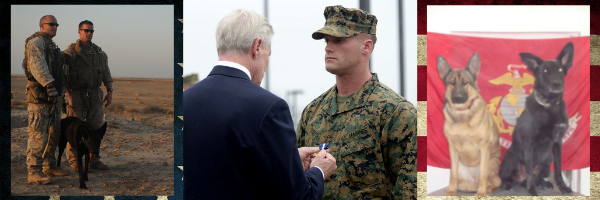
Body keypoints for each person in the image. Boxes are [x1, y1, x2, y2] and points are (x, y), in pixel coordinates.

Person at [183, 9, 338, 200]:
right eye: (269, 54)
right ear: (257, 47)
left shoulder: (182, 102)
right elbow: (298, 196)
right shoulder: (269, 107)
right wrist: (319, 172)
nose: (266, 63)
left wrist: (287, 160)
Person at [296, 5, 417, 199]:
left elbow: (411, 191)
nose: (328, 47)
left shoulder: (396, 113)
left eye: (339, 40)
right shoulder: (313, 112)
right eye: (327, 41)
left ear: (366, 46)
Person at [23, 15, 69, 184]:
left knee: (54, 133)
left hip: (54, 98)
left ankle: (49, 165)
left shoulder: (52, 46)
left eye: (57, 24)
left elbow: (59, 72)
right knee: (38, 135)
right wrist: (49, 85)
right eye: (51, 24)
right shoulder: (36, 42)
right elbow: (37, 65)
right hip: (40, 97)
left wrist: (60, 93)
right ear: (42, 25)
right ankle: (33, 171)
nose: (55, 27)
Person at [63, 20, 113, 171]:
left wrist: (110, 92)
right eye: (86, 30)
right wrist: (69, 93)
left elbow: (106, 73)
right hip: (76, 95)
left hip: (95, 95)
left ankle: (94, 159)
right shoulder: (70, 53)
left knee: (96, 128)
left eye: (91, 31)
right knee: (75, 128)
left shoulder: (99, 53)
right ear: (79, 31)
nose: (89, 33)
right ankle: (74, 160)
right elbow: (63, 76)